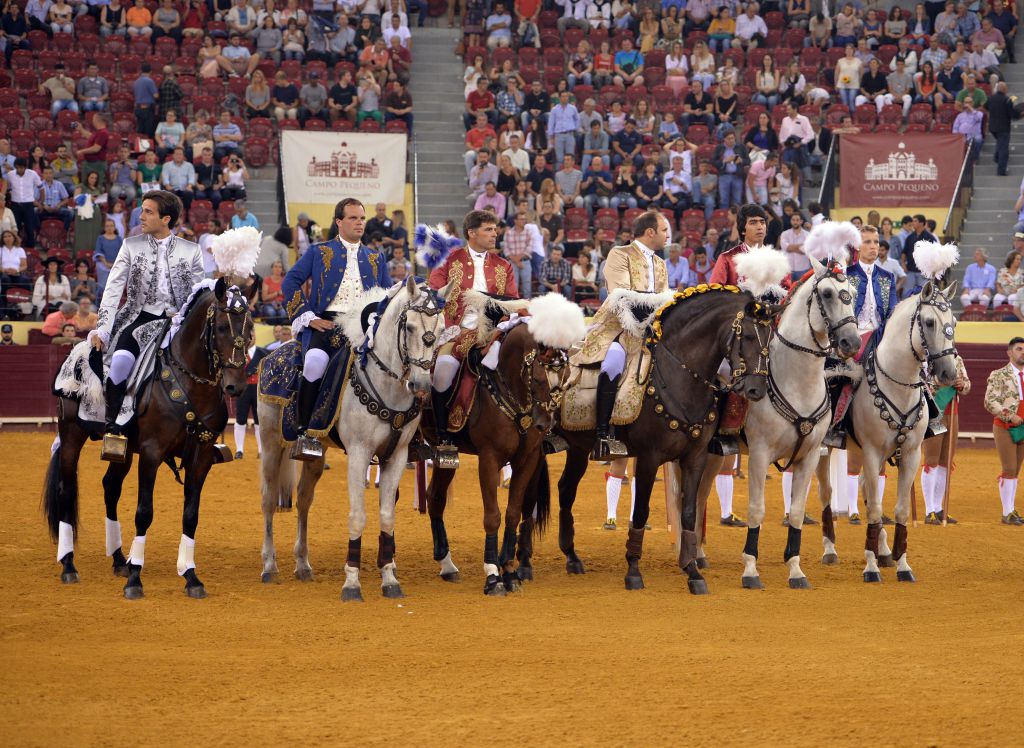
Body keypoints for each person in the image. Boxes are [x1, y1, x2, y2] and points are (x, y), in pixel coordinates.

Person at [90, 191, 205, 458]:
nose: (141, 216)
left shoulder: (191, 250)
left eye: (148, 212)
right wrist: (104, 328)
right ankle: (115, 428)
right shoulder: (131, 245)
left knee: (209, 361)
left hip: (178, 322)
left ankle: (206, 430)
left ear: (166, 219)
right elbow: (113, 287)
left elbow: (198, 293)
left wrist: (185, 315)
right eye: (142, 210)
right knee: (119, 361)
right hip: (138, 317)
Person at [280, 198, 391, 458]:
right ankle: (305, 432)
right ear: (339, 222)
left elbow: (386, 295)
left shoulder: (376, 257)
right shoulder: (318, 251)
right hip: (326, 325)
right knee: (315, 363)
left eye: (362, 218)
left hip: (365, 328)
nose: (359, 223)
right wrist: (307, 316)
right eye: (353, 218)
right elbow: (291, 281)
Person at [574, 210, 669, 462]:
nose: (668, 236)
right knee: (614, 359)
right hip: (617, 327)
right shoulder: (619, 253)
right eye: (664, 231)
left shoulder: (660, 263)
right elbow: (621, 296)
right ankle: (603, 434)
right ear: (650, 232)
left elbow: (663, 300)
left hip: (651, 329)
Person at [427, 209, 518, 465]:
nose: (494, 233)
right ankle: (442, 437)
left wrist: (503, 326)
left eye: (495, 229)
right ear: (472, 233)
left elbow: (511, 301)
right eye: (489, 229)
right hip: (455, 333)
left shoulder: (504, 266)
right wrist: (446, 327)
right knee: (443, 369)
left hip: (493, 333)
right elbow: (434, 295)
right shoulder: (448, 260)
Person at [985, 337, 1024, 524]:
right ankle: (1007, 512)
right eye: (1019, 349)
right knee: (1008, 468)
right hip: (1005, 426)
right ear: (1010, 353)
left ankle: (1012, 510)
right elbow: (990, 401)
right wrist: (1009, 416)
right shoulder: (999, 374)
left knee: (1015, 470)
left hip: (1023, 427)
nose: (1022, 352)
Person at [233, 341, 268, 459]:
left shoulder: (263, 352)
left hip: (258, 389)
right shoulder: (237, 353)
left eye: (251, 336)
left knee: (259, 419)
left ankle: (261, 450)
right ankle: (239, 450)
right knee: (240, 418)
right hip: (243, 389)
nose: (250, 338)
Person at [986, 81, 1016, 177]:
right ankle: (1001, 171)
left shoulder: (990, 98)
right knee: (1004, 148)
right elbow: (1012, 115)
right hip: (1003, 127)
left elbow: (985, 106)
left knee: (1000, 142)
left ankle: (996, 156)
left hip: (992, 127)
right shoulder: (1007, 100)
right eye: (1006, 88)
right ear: (1003, 89)